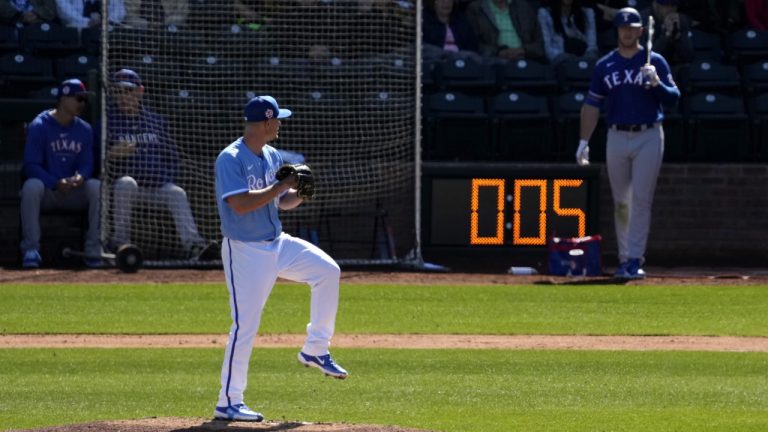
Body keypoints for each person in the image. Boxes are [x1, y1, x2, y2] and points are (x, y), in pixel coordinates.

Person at [212, 95, 347, 421]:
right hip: (245, 250)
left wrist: (296, 193)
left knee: (328, 271)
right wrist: (282, 186)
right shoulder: (230, 158)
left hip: (277, 243)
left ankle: (316, 349)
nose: (281, 124)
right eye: (278, 119)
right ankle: (228, 400)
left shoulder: (270, 154)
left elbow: (279, 202)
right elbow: (241, 204)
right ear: (267, 122)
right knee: (245, 325)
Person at [575, 7, 680, 279]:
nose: (627, 32)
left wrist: (656, 82)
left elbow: (673, 98)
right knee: (622, 202)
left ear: (641, 32)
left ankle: (634, 259)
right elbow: (591, 104)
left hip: (648, 134)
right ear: (617, 31)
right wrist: (583, 140)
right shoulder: (605, 65)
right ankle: (624, 258)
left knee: (641, 200)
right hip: (617, 135)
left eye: (632, 28)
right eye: (623, 27)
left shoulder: (655, 60)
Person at [105, 69, 217, 259]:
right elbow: (97, 160)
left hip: (155, 188)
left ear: (140, 91)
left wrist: (166, 178)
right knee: (126, 183)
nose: (123, 96)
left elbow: (172, 157)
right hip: (125, 190)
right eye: (118, 91)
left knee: (176, 193)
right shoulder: (108, 121)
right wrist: (112, 154)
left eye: (128, 91)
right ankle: (120, 244)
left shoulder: (155, 121)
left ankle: (194, 247)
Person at [20, 78, 101, 269]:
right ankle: (31, 249)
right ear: (63, 99)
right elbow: (30, 165)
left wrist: (81, 176)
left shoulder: (84, 129)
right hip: (49, 191)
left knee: (96, 187)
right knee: (31, 186)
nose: (82, 103)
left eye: (84, 100)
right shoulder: (40, 125)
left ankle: (94, 249)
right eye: (78, 99)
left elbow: (87, 162)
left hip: (74, 192)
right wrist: (55, 182)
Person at [466, 0, 546, 62]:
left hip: (526, 60)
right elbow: (474, 45)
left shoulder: (524, 7)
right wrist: (498, 52)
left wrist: (523, 51)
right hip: (493, 64)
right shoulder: (476, 9)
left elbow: (540, 45)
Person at [537, 0, 599, 65]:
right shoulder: (545, 13)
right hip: (560, 63)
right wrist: (569, 59)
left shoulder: (587, 13)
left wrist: (581, 61)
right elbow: (548, 50)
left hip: (585, 61)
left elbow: (592, 47)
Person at [640, 0, 694, 65]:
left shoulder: (680, 19)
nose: (670, 9)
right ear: (656, 5)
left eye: (673, 5)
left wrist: (679, 35)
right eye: (666, 6)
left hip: (674, 67)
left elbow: (688, 57)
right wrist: (666, 34)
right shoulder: (643, 19)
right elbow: (647, 58)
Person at [56, 0, 125, 29]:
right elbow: (63, 11)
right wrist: (88, 22)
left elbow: (119, 11)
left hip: (106, 30)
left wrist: (107, 22)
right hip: (77, 30)